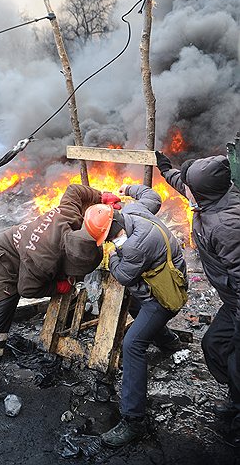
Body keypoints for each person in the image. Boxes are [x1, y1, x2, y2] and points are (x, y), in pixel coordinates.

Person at [0, 184, 122, 398]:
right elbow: (26, 288)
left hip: (29, 252)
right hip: (7, 258)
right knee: (0, 311)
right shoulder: (45, 262)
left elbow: (74, 190)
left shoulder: (70, 216)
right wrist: (57, 287)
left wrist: (101, 196)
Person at [84, 183, 187, 448]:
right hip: (175, 271)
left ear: (112, 231)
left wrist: (112, 256)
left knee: (133, 345)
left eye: (106, 238)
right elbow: (151, 195)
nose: (107, 242)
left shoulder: (133, 247)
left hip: (166, 293)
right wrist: (128, 188)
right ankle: (168, 341)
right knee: (133, 305)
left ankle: (133, 421)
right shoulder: (135, 210)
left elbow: (122, 275)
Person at [155, 151, 240, 447]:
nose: (186, 190)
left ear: (203, 193)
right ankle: (235, 396)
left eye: (192, 187)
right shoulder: (214, 197)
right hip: (232, 301)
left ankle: (236, 413)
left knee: (233, 358)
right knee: (213, 346)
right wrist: (165, 168)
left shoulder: (227, 226)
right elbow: (184, 183)